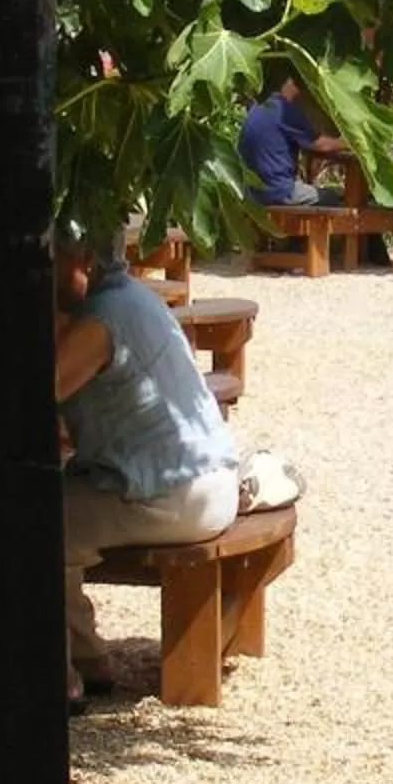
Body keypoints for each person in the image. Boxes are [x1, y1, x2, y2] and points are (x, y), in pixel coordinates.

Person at [55, 228, 238, 706]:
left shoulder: (102, 319)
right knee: (58, 507)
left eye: (52, 258)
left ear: (86, 261)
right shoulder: (133, 298)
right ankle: (87, 656)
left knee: (25, 518)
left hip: (175, 493)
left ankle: (57, 672)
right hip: (207, 481)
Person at [237, 69, 348, 205]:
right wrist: (352, 143)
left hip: (252, 192)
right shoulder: (284, 109)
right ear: (290, 83)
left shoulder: (258, 107)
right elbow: (322, 145)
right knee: (332, 197)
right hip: (279, 191)